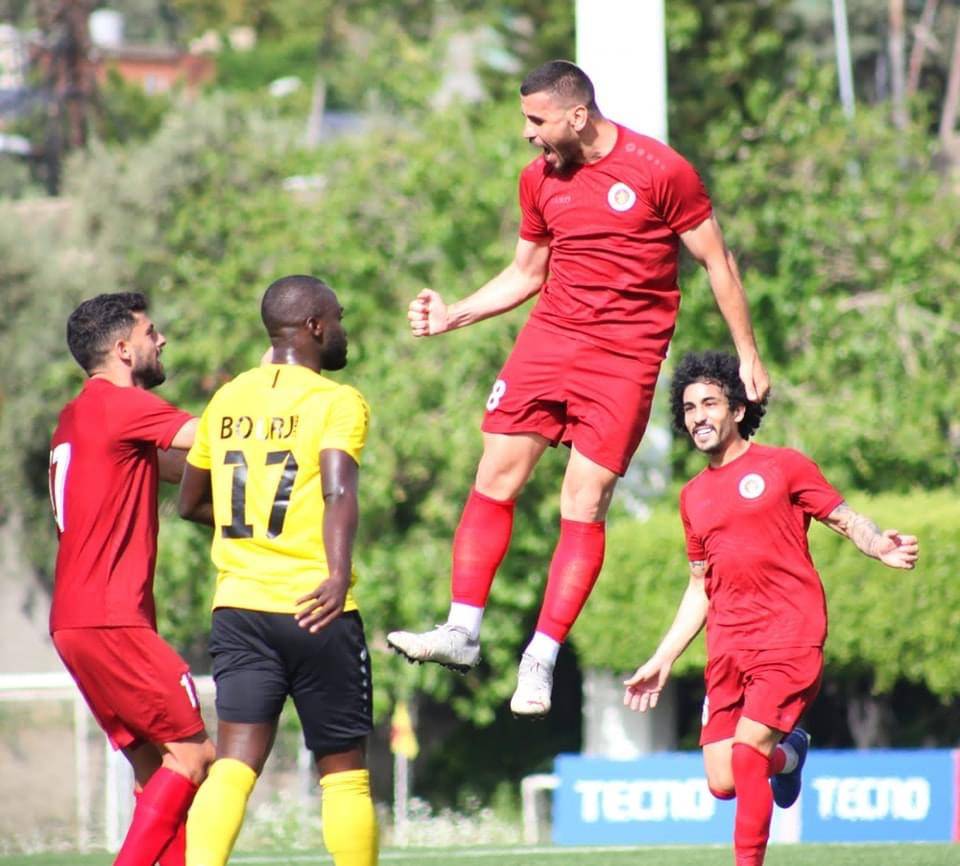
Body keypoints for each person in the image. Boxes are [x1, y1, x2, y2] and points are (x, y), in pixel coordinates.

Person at [386, 59, 771, 717]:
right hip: (550, 340)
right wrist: (455, 314)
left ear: (577, 114)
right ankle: (462, 629)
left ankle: (540, 659)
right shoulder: (538, 179)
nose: (528, 133)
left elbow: (717, 261)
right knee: (495, 472)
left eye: (536, 120)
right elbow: (525, 272)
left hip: (624, 360)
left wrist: (748, 354)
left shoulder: (660, 170)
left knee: (584, 500)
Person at [623, 350, 919, 866]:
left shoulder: (783, 466)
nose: (698, 416)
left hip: (789, 634)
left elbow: (844, 517)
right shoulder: (692, 497)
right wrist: (663, 657)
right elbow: (700, 586)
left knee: (746, 753)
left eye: (710, 403)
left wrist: (877, 544)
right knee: (723, 780)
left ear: (738, 409)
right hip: (728, 647)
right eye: (689, 407)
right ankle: (790, 756)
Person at [179, 275, 378, 866]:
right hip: (316, 606)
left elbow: (190, 502)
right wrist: (337, 575)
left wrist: (258, 534)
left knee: (234, 765)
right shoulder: (336, 401)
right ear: (314, 326)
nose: (342, 329)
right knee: (344, 775)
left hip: (239, 608)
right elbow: (339, 492)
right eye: (337, 318)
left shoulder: (227, 398)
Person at [49, 292, 215, 866]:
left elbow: (174, 467)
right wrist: (275, 402)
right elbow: (217, 436)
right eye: (150, 332)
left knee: (158, 771)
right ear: (123, 349)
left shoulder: (77, 415)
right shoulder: (121, 405)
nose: (160, 339)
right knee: (195, 756)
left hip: (77, 621)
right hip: (111, 619)